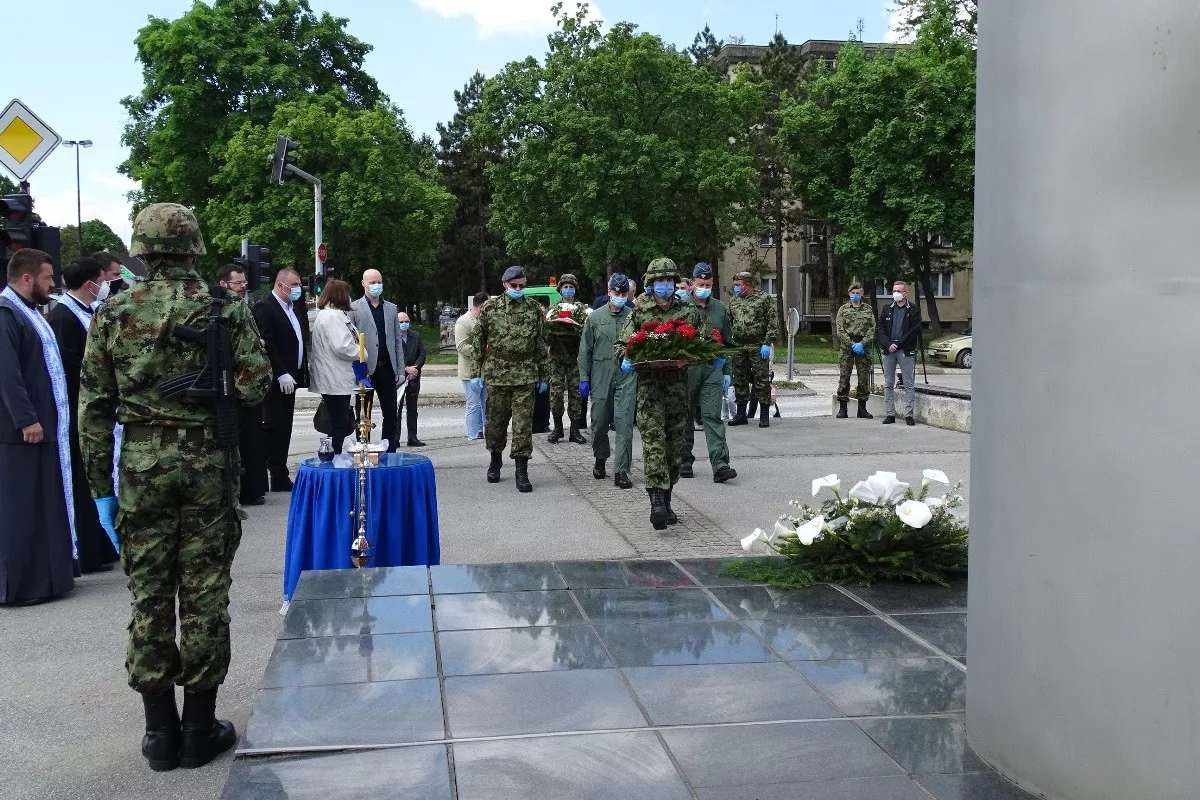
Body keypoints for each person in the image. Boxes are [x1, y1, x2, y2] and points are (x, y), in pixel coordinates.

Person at [79, 203, 271, 772]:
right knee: (205, 595)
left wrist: (100, 489)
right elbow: (256, 385)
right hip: (208, 463)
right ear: (194, 248)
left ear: (141, 249)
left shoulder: (113, 310)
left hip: (141, 467)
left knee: (150, 595)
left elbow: (93, 408)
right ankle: (198, 729)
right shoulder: (224, 307)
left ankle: (159, 733)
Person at [0, 249, 78, 605]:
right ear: (27, 278)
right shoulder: (6, 313)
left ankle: (49, 579)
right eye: (47, 278)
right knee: (22, 510)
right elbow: (7, 374)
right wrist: (26, 418)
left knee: (44, 506)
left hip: (45, 428)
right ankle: (21, 586)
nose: (52, 284)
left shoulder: (28, 311)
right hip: (22, 432)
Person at [618, 258, 708, 530]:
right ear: (651, 283)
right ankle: (656, 502)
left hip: (678, 389)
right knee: (654, 444)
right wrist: (625, 357)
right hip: (650, 389)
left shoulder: (688, 312)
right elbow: (622, 343)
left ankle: (667, 500)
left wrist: (704, 356)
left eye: (669, 280)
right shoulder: (639, 312)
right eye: (660, 281)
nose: (665, 285)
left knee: (674, 448)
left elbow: (702, 342)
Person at [47, 256, 120, 573]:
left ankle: (101, 544)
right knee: (83, 480)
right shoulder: (64, 316)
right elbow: (71, 367)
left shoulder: (90, 311)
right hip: (80, 410)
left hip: (99, 409)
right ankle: (88, 549)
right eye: (103, 280)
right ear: (90, 284)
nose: (106, 286)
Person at [469, 266, 549, 493]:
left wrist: (544, 374)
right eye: (514, 285)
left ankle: (521, 471)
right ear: (505, 284)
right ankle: (495, 460)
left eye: (522, 286)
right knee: (496, 423)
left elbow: (541, 343)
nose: (518, 289)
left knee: (523, 426)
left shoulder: (533, 309)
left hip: (525, 374)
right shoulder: (490, 308)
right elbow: (478, 342)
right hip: (497, 375)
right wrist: (475, 373)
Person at [680, 263, 738, 484]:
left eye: (707, 284)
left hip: (712, 367)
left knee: (712, 416)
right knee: (685, 416)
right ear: (692, 283)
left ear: (712, 284)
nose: (704, 288)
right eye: (700, 284)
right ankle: (684, 461)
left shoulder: (720, 309)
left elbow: (727, 341)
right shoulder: (681, 307)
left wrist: (726, 370)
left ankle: (720, 464)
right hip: (688, 368)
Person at [253, 268, 309, 490]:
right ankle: (264, 471)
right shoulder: (265, 308)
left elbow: (299, 340)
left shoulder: (294, 308)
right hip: (276, 379)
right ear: (280, 285)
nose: (298, 289)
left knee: (284, 427)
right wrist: (280, 371)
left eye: (299, 284)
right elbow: (267, 342)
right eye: (294, 285)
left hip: (292, 377)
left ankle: (278, 472)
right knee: (273, 426)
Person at [579, 273, 636, 489]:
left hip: (626, 374)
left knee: (624, 423)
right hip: (601, 373)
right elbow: (585, 350)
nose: (619, 296)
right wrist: (584, 378)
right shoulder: (594, 318)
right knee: (600, 421)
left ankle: (621, 470)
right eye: (616, 292)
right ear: (609, 292)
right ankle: (600, 457)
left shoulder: (633, 316)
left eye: (623, 293)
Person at [216, 264, 266, 505]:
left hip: (246, 383)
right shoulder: (221, 308)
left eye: (244, 282)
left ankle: (252, 488)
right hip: (232, 383)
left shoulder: (242, 306)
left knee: (252, 440)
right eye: (238, 283)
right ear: (223, 284)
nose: (243, 286)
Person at [350, 269, 401, 451]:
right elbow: (352, 341)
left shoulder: (391, 308)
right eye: (372, 282)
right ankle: (363, 450)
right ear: (363, 284)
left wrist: (400, 369)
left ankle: (389, 450)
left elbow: (396, 340)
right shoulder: (354, 308)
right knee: (364, 415)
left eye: (379, 281)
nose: (376, 285)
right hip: (366, 371)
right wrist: (357, 371)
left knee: (391, 413)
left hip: (387, 368)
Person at [308, 280, 361, 454]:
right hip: (334, 378)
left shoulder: (331, 315)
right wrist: (362, 352)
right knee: (340, 423)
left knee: (340, 422)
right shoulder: (332, 317)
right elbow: (343, 347)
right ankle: (330, 455)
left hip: (335, 377)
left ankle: (331, 454)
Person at [727, 271, 778, 428]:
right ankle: (741, 414)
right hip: (739, 346)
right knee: (740, 379)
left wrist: (767, 343)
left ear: (747, 285)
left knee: (761, 380)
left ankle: (764, 415)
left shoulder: (763, 299)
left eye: (737, 285)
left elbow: (772, 321)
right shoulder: (734, 301)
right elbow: (729, 322)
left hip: (758, 345)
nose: (735, 288)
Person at [546, 273, 587, 445]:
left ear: (575, 289)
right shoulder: (553, 309)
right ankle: (557, 428)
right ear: (560, 289)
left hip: (575, 358)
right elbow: (546, 334)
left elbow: (587, 333)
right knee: (556, 393)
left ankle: (575, 430)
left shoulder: (582, 309)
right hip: (557, 357)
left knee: (575, 393)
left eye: (571, 287)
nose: (568, 290)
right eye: (565, 287)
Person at [877, 280, 922, 426]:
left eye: (899, 291)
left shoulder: (913, 309)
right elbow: (881, 329)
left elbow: (914, 330)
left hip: (905, 350)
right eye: (894, 290)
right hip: (888, 350)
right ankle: (890, 414)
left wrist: (898, 344)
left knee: (908, 383)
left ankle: (908, 415)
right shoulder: (887, 309)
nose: (896, 293)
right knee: (888, 383)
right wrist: (888, 344)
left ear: (905, 293)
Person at [834, 282, 877, 421]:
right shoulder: (843, 309)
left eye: (858, 293)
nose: (855, 295)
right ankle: (843, 409)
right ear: (849, 294)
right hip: (847, 347)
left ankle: (862, 409)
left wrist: (862, 343)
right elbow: (840, 330)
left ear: (862, 294)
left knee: (863, 378)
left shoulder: (868, 309)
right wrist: (852, 344)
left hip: (863, 346)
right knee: (844, 378)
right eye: (853, 293)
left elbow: (872, 329)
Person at [455, 292, 489, 440]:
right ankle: (472, 435)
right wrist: (482, 350)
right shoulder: (463, 322)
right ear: (481, 306)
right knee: (473, 405)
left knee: (485, 404)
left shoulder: (484, 320)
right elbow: (461, 346)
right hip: (469, 371)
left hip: (485, 370)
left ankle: (482, 431)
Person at [397, 312, 426, 447]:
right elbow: (393, 357)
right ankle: (395, 438)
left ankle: (412, 437)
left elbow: (422, 354)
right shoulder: (393, 337)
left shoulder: (416, 336)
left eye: (406, 321)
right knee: (396, 409)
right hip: (399, 378)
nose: (404, 324)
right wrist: (405, 368)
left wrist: (415, 368)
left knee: (412, 409)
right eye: (401, 322)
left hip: (414, 378)